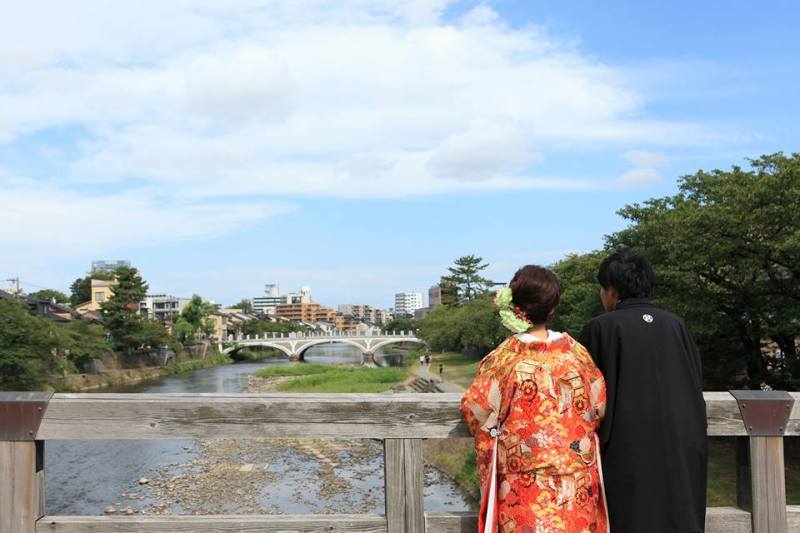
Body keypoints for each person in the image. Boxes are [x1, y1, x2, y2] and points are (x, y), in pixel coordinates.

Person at [461, 266, 607, 533]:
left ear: (515, 306)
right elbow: (599, 407)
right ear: (553, 308)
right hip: (575, 481)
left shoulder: (503, 359)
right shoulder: (577, 355)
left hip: (524, 483)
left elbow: (477, 411)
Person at [578, 249, 707, 533]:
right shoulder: (677, 325)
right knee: (680, 516)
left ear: (611, 290)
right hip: (682, 441)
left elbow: (586, 395)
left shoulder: (600, 328)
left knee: (630, 518)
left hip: (626, 446)